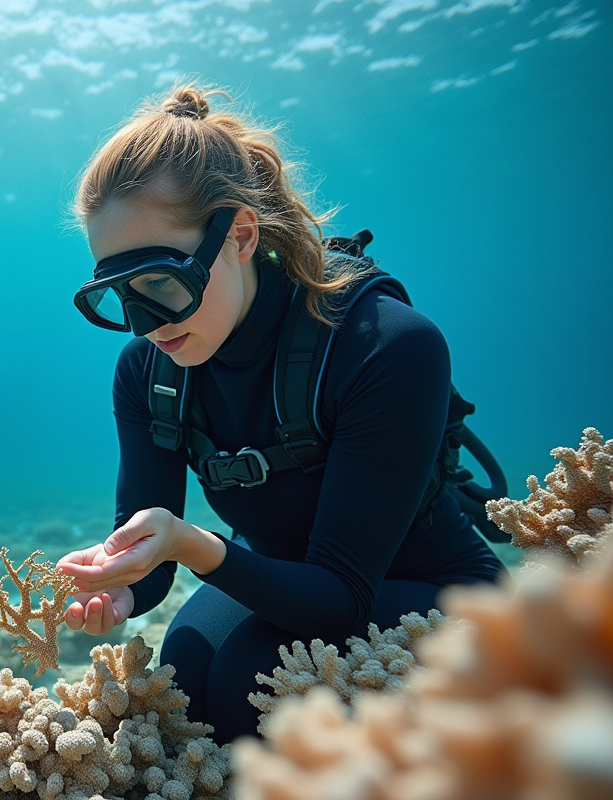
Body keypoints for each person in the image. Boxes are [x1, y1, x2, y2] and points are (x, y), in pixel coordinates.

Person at [55, 83, 507, 744]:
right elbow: (152, 550)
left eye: (161, 281)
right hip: (287, 583)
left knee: (251, 683)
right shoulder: (147, 372)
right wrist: (123, 587)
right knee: (184, 678)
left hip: (434, 588)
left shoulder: (387, 345)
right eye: (118, 296)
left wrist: (192, 545)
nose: (145, 324)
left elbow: (340, 598)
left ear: (240, 235)